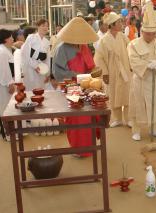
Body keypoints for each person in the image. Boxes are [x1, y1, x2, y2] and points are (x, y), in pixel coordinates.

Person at [53, 17, 99, 157]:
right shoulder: (62, 48)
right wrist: (75, 74)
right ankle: (77, 149)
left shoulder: (84, 46)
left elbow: (91, 65)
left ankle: (89, 147)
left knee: (89, 116)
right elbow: (57, 72)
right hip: (71, 86)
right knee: (76, 118)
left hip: (86, 85)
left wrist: (94, 73)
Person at [127, 1, 156, 141]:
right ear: (142, 31)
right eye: (148, 34)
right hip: (141, 79)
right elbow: (133, 60)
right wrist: (146, 65)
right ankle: (136, 129)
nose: (150, 36)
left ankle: (154, 128)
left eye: (152, 34)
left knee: (155, 103)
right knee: (138, 104)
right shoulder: (133, 44)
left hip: (155, 79)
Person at [94, 12, 132, 128]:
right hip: (112, 71)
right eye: (119, 22)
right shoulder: (104, 40)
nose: (121, 23)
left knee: (127, 94)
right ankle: (117, 118)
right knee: (113, 94)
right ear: (112, 25)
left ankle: (128, 119)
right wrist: (105, 73)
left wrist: (132, 66)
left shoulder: (123, 37)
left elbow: (131, 52)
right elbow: (99, 58)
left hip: (125, 69)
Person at [0, 29, 16, 140]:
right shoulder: (2, 51)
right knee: (5, 109)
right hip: (2, 84)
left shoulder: (5, 49)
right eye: (11, 37)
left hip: (3, 83)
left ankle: (11, 132)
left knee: (8, 108)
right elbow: (4, 70)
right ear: (6, 39)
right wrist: (10, 84)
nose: (13, 39)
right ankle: (8, 134)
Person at [21, 19, 51, 91]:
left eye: (47, 26)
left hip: (42, 69)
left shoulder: (47, 41)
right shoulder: (31, 37)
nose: (45, 28)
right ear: (38, 27)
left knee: (41, 89)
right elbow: (25, 53)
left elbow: (47, 59)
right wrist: (35, 66)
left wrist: (47, 73)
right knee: (31, 89)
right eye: (43, 26)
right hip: (31, 68)